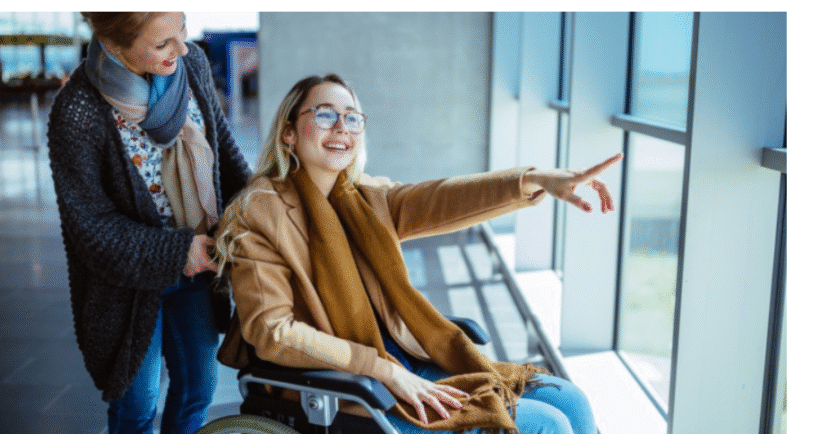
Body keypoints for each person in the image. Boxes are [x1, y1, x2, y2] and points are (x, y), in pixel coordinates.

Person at [215, 74, 621, 434]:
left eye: (352, 117)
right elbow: (272, 332)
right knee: (545, 425)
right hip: (342, 384)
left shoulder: (365, 198)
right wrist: (380, 368)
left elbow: (443, 198)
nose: (342, 127)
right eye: (324, 114)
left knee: (570, 400)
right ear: (289, 132)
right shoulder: (260, 211)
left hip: (403, 360)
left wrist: (532, 180)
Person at [46, 12, 251, 434]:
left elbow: (225, 155)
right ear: (115, 43)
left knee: (198, 387)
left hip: (197, 269)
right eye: (162, 44)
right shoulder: (78, 110)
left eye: (182, 31)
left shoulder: (189, 66)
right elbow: (91, 229)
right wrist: (179, 251)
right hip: (126, 287)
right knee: (136, 407)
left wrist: (258, 212)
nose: (181, 48)